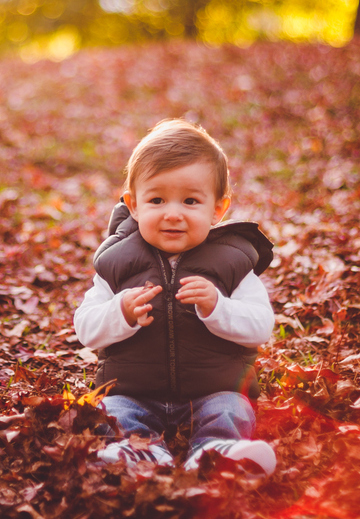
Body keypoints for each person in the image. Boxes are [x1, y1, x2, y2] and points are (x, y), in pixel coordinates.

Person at [73, 119, 277, 475]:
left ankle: (215, 451)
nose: (172, 213)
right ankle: (140, 451)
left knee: (233, 408)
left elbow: (260, 327)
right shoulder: (116, 264)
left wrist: (218, 307)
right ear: (133, 205)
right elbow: (87, 329)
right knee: (113, 411)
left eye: (190, 200)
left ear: (218, 209)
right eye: (156, 199)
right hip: (133, 390)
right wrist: (120, 313)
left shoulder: (233, 263)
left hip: (214, 388)